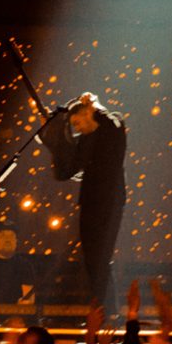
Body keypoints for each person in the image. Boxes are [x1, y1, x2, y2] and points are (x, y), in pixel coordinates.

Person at [41, 92, 128, 308]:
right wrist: (53, 134)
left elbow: (110, 124)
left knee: (101, 257)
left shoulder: (113, 125)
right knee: (91, 259)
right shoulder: (85, 141)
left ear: (88, 113)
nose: (77, 128)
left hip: (110, 201)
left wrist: (96, 108)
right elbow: (65, 170)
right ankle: (103, 308)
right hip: (90, 202)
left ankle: (105, 309)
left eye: (78, 123)